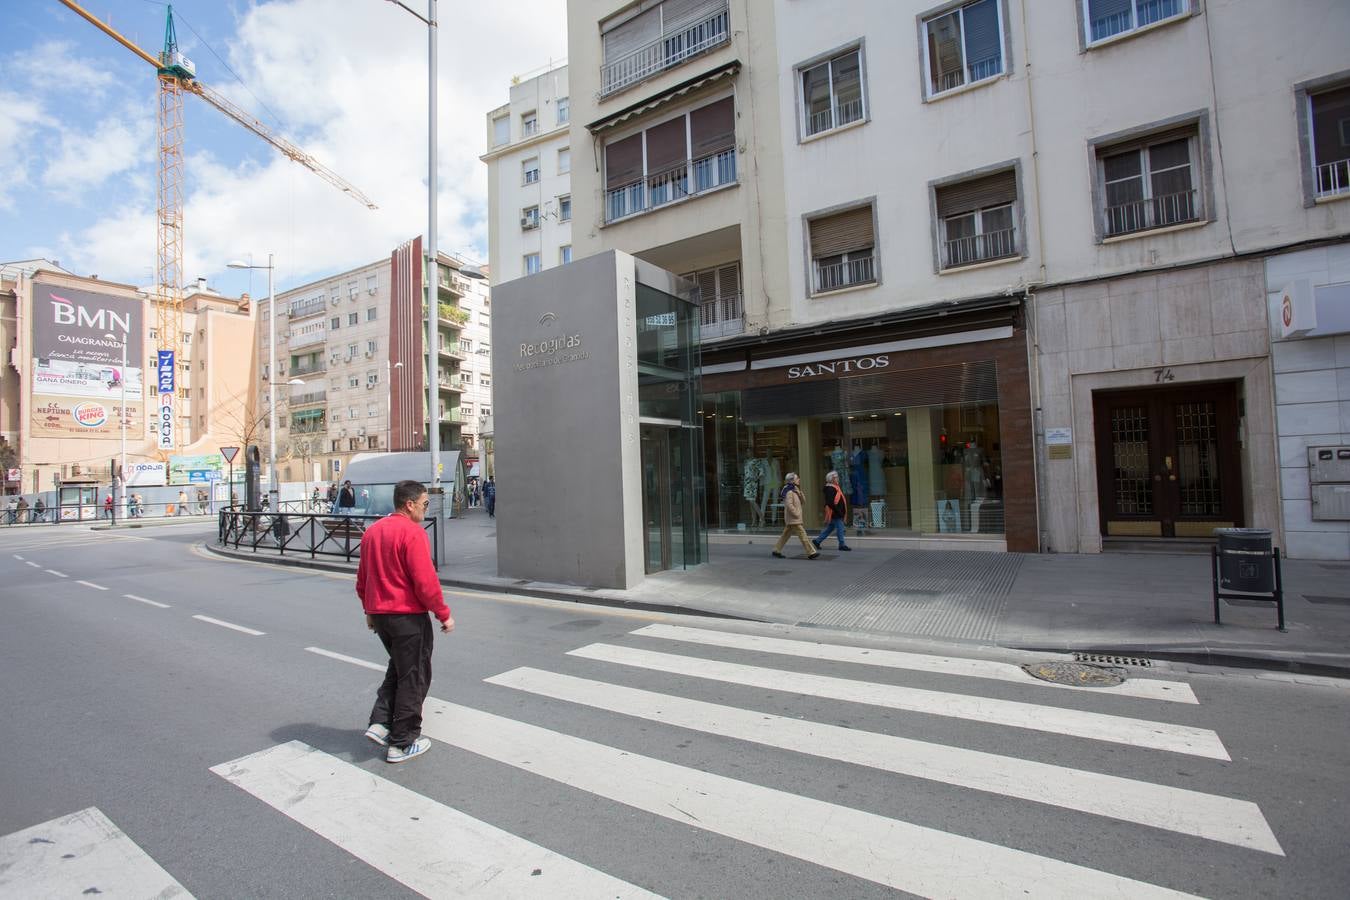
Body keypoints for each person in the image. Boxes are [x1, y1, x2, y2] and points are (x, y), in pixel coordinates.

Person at [357, 479, 454, 764]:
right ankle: (402, 741)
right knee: (415, 676)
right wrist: (443, 614)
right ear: (409, 504)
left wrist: (370, 612)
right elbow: (425, 582)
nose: (427, 509)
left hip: (382, 617)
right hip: (408, 617)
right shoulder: (412, 533)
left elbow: (363, 580)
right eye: (425, 503)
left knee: (399, 669)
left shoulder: (372, 532)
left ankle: (381, 722)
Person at [770, 473, 819, 560]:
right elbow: (789, 505)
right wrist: (796, 514)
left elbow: (803, 502)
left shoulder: (794, 489)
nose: (799, 479)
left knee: (785, 535)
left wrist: (799, 493)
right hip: (793, 518)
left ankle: (776, 550)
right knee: (803, 535)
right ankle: (811, 552)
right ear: (792, 480)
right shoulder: (788, 491)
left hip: (793, 518)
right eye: (797, 478)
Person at [812, 470, 852, 552]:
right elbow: (830, 502)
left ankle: (817, 541)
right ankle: (842, 545)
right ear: (832, 479)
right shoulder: (830, 488)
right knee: (840, 528)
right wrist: (838, 511)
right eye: (836, 477)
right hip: (834, 512)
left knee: (830, 528)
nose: (838, 479)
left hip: (835, 512)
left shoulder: (835, 487)